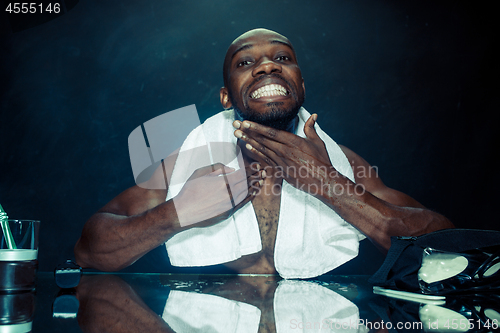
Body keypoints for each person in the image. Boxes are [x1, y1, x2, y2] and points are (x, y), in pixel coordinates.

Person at [74, 28, 453, 276]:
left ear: (300, 87)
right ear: (226, 97)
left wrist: (328, 185)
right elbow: (90, 252)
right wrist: (176, 213)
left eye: (282, 58)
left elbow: (448, 248)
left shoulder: (342, 165)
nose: (267, 65)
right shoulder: (189, 166)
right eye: (245, 62)